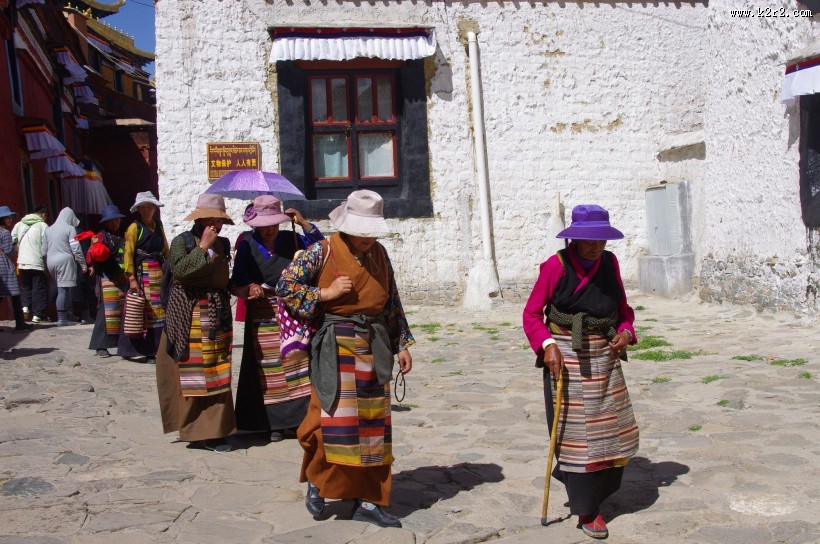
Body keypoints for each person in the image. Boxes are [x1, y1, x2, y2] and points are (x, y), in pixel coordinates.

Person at [276, 189, 414, 528]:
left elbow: (392, 301)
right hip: (335, 346)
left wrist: (401, 344)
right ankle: (319, 480)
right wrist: (325, 293)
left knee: (373, 428)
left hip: (375, 344)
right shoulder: (320, 251)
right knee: (332, 422)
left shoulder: (380, 254)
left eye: (372, 232)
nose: (368, 238)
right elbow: (285, 287)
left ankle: (369, 500)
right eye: (362, 231)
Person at [522, 204, 639, 540]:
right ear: (574, 238)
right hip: (566, 355)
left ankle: (594, 491)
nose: (596, 247)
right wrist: (547, 346)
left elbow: (623, 309)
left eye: (601, 241)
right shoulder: (555, 266)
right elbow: (531, 315)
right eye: (589, 240)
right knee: (577, 438)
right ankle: (587, 509)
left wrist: (626, 331)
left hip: (604, 354)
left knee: (612, 430)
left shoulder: (610, 263)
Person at [231, 196, 325, 442]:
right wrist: (250, 286)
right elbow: (237, 278)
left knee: (297, 363)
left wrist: (304, 223)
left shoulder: (291, 238)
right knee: (269, 367)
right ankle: (273, 424)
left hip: (293, 309)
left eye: (274, 223)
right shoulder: (247, 244)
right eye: (265, 225)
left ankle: (299, 421)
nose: (270, 229)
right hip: (263, 312)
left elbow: (322, 248)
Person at [155, 194, 236, 453]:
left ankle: (215, 431)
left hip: (216, 314)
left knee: (216, 371)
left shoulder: (224, 243)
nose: (216, 225)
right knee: (192, 373)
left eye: (219, 220)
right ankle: (194, 429)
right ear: (200, 219)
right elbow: (179, 272)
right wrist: (202, 248)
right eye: (212, 219)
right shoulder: (182, 241)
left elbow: (223, 279)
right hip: (187, 315)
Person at [119, 191, 169, 364]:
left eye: (150, 207)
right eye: (144, 207)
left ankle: (158, 348)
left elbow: (165, 248)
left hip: (158, 273)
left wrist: (170, 268)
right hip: (142, 275)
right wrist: (131, 278)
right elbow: (128, 253)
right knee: (142, 311)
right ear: (139, 210)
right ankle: (145, 350)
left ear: (155, 209)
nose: (147, 210)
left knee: (159, 311)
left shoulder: (158, 225)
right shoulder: (134, 228)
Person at [87, 204, 127, 358]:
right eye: (111, 221)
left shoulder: (122, 236)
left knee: (122, 311)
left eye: (117, 220)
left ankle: (123, 345)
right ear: (106, 222)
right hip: (107, 278)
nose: (115, 223)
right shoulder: (100, 237)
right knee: (106, 312)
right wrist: (93, 248)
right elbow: (91, 257)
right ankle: (100, 345)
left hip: (122, 277)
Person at [43, 208, 87, 326]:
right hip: (65, 260)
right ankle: (62, 319)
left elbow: (43, 250)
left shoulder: (49, 229)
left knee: (61, 288)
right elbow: (76, 248)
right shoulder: (70, 228)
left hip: (50, 261)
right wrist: (82, 263)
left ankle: (67, 315)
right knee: (63, 290)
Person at [12, 205, 49, 323]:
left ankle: (25, 308)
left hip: (22, 261)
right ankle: (38, 315)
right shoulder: (43, 225)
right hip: (36, 262)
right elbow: (46, 244)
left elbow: (13, 240)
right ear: (43, 214)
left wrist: (20, 250)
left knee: (25, 286)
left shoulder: (19, 224)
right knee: (38, 287)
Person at [0, 206, 31, 331]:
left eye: (10, 217)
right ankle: (20, 323)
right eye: (7, 218)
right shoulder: (5, 233)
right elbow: (8, 251)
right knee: (15, 294)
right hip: (4, 265)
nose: (10, 220)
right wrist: (15, 248)